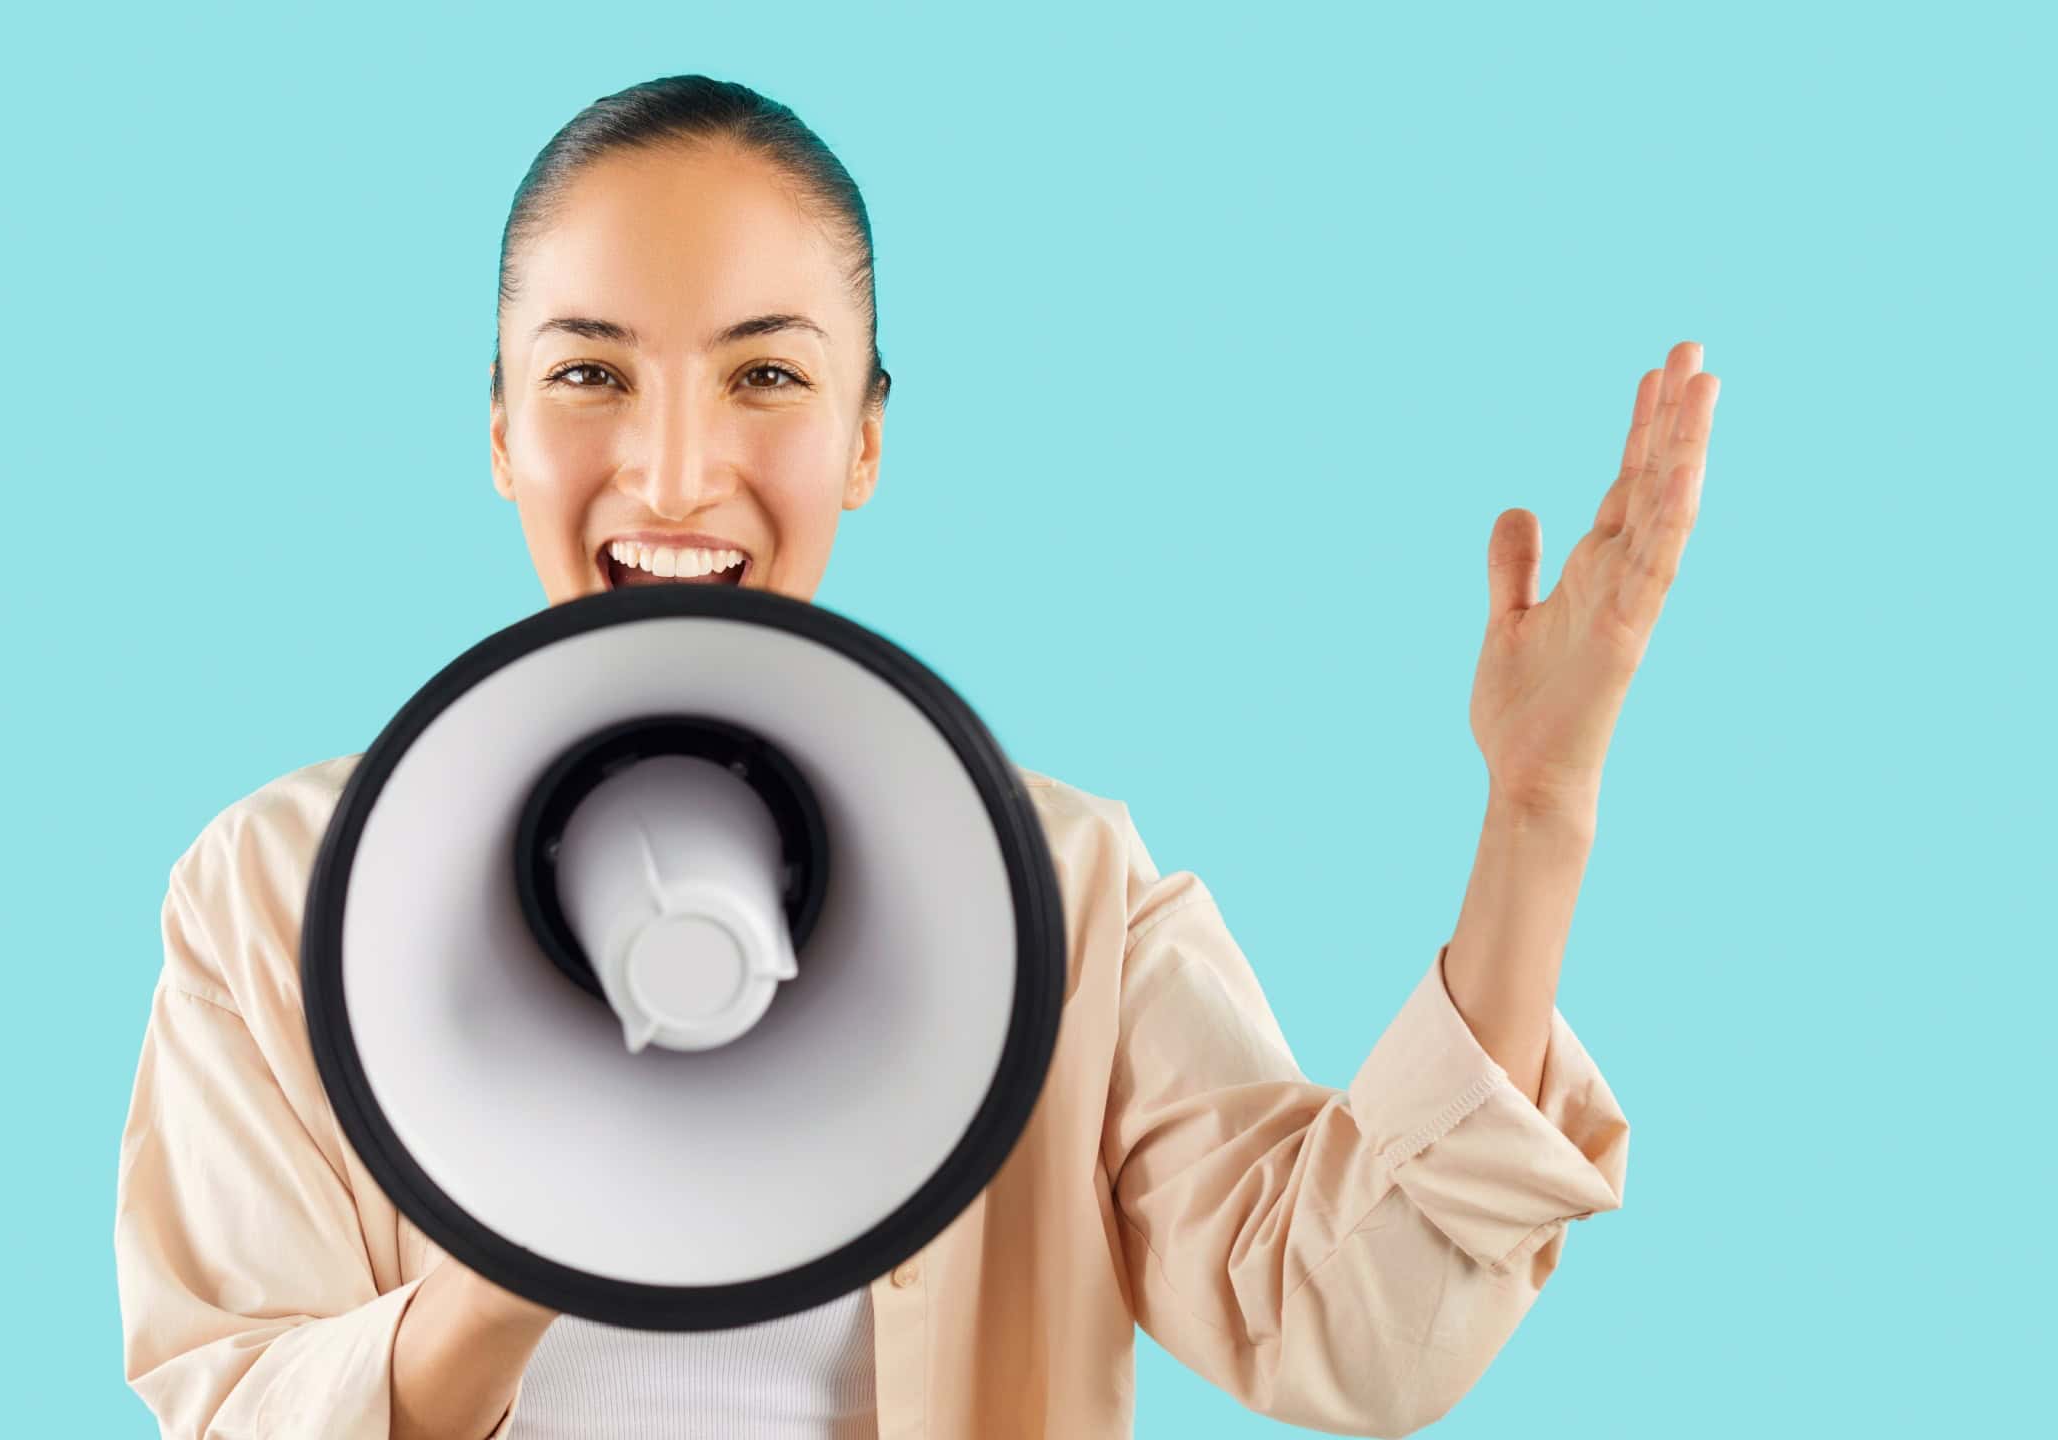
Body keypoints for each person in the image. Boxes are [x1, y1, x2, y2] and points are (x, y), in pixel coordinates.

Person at [117, 74, 1717, 1440]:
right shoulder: (278, 899)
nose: (676, 467)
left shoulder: (1063, 898)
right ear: (498, 429)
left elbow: (1355, 1329)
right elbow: (232, 1397)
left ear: (866, 439)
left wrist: (1538, 809)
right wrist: (511, 1258)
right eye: (590, 373)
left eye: (766, 375)